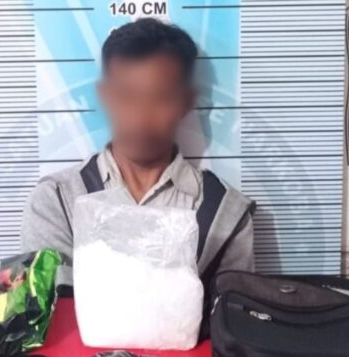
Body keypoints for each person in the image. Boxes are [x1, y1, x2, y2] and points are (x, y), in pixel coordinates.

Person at [21, 17, 255, 303]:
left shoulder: (225, 214)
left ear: (186, 103)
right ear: (105, 96)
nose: (141, 117)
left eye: (161, 98)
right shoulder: (57, 201)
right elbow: (50, 313)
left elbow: (234, 322)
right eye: (127, 96)